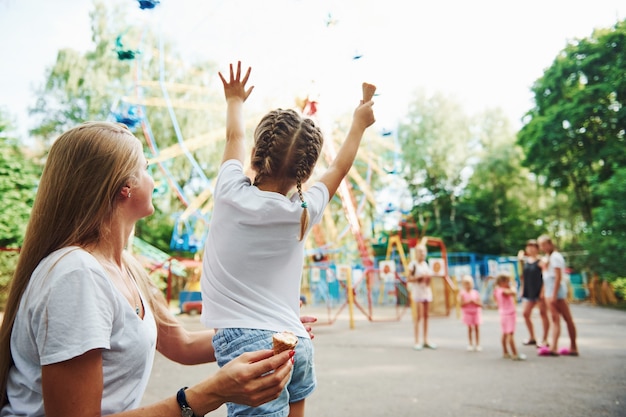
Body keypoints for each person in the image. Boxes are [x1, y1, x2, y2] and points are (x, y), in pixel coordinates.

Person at [0, 121, 300, 417]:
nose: (153, 180)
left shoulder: (126, 267)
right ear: (124, 188)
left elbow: (181, 344)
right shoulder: (76, 277)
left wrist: (266, 328)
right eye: (145, 168)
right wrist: (211, 394)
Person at [200, 62, 375, 417]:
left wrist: (234, 99)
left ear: (257, 153)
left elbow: (233, 137)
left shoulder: (229, 191)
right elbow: (338, 168)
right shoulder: (303, 212)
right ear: (306, 171)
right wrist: (358, 122)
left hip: (249, 346)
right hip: (295, 340)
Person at [537, 234, 579, 357]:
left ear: (550, 244)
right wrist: (544, 293)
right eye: (541, 245)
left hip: (556, 292)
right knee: (555, 319)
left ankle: (570, 346)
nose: (542, 247)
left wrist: (554, 294)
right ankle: (554, 346)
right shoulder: (547, 258)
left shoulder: (555, 257)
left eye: (544, 245)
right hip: (550, 291)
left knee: (566, 319)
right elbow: (547, 278)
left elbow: (558, 277)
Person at [517, 239, 550, 348]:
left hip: (539, 291)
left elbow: (546, 277)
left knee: (543, 314)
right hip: (528, 291)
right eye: (529, 246)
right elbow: (523, 277)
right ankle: (532, 337)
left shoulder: (541, 261)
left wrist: (543, 291)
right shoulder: (526, 261)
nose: (530, 249)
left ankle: (545, 339)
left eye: (533, 247)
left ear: (537, 249)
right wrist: (522, 289)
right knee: (526, 314)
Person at [407, 244, 437, 350]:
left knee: (426, 317)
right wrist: (418, 277)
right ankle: (417, 341)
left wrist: (428, 278)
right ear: (416, 253)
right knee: (418, 317)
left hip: (426, 292)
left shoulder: (425, 264)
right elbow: (408, 278)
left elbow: (428, 281)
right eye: (420, 251)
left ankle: (426, 340)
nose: (422, 253)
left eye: (424, 251)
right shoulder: (413, 264)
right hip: (418, 293)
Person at [493, 273, 526, 361]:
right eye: (507, 282)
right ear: (502, 282)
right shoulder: (503, 290)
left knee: (504, 333)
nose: (509, 284)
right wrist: (513, 286)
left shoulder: (497, 291)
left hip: (503, 314)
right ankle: (515, 353)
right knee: (510, 334)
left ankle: (505, 352)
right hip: (509, 314)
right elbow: (513, 293)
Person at [458, 275, 482, 351]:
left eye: (469, 283)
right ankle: (470, 343)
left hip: (476, 312)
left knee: (477, 328)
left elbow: (480, 304)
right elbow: (461, 304)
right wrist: (468, 301)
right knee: (469, 329)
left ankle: (478, 344)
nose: (468, 285)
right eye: (466, 284)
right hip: (467, 313)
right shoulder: (462, 293)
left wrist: (474, 302)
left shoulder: (475, 293)